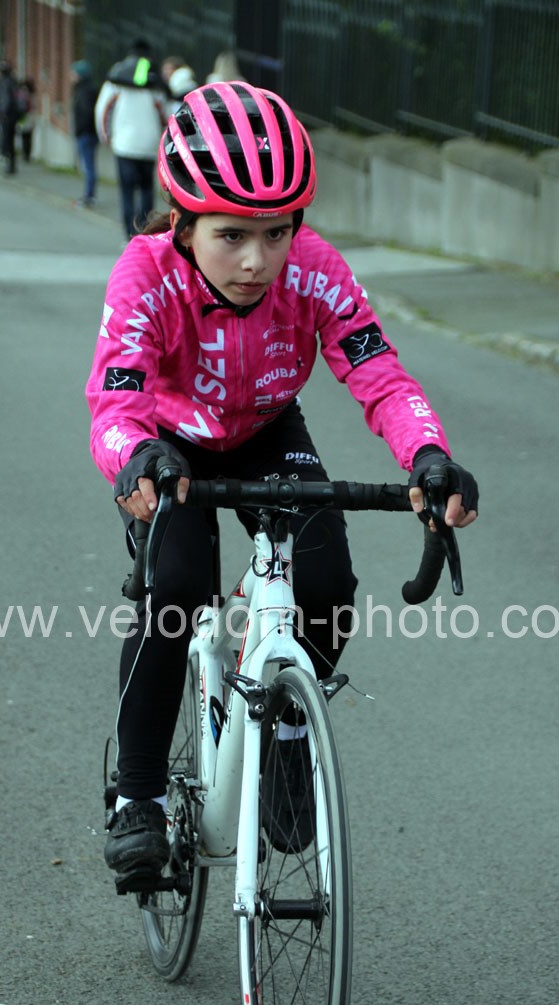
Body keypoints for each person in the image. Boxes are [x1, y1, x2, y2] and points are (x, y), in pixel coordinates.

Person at [86, 82, 478, 890]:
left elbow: (379, 374)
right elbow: (115, 404)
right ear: (183, 224)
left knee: (328, 583)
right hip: (171, 444)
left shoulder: (313, 268)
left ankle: (288, 728)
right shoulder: (145, 272)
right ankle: (139, 794)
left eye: (275, 233)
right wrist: (136, 458)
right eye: (230, 235)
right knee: (175, 587)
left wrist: (428, 455)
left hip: (267, 429)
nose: (256, 260)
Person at [95, 38, 168, 239]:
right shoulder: (154, 79)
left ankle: (129, 234)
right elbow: (165, 113)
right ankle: (146, 233)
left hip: (124, 144)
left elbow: (102, 109)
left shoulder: (117, 76)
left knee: (127, 191)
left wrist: (105, 136)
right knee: (146, 190)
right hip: (149, 145)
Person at [70, 60, 99, 208]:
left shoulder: (84, 91)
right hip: (87, 133)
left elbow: (87, 113)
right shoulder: (84, 89)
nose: (71, 76)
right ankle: (89, 194)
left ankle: (89, 196)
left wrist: (81, 129)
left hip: (86, 133)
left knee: (88, 166)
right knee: (87, 165)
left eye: (74, 73)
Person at [16, 77, 36, 163]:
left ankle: (25, 153)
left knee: (24, 135)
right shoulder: (31, 93)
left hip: (23, 116)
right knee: (28, 135)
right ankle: (27, 154)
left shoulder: (21, 93)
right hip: (29, 115)